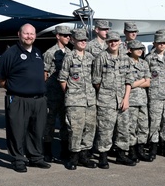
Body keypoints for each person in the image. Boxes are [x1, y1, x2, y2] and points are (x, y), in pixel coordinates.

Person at [0, 23, 49, 173]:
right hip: (18, 99)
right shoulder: (10, 53)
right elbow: (0, 77)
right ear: (19, 34)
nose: (29, 36)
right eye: (26, 33)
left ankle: (36, 157)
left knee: (37, 131)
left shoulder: (37, 52)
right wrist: (14, 88)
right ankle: (18, 159)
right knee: (16, 131)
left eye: (32, 34)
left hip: (38, 100)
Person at [92, 31, 134, 167]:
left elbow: (129, 80)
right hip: (106, 100)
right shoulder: (101, 57)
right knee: (105, 130)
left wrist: (126, 98)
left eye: (116, 40)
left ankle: (121, 155)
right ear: (107, 42)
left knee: (123, 129)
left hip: (123, 99)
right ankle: (103, 156)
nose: (113, 43)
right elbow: (96, 80)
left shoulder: (126, 59)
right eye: (110, 41)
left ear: (120, 42)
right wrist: (105, 93)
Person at [59, 28, 98, 170]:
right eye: (79, 40)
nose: (82, 42)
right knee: (75, 129)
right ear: (73, 41)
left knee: (90, 128)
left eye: (84, 40)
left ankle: (84, 156)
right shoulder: (69, 57)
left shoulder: (90, 57)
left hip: (90, 100)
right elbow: (62, 79)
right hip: (75, 101)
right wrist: (70, 94)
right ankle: (73, 157)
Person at [43, 24, 72, 162]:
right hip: (52, 93)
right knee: (49, 123)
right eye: (65, 35)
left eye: (69, 35)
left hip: (64, 93)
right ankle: (47, 150)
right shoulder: (50, 53)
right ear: (58, 36)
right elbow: (45, 73)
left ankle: (64, 150)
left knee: (65, 123)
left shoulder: (69, 52)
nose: (68, 38)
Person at [146, 31, 165, 159]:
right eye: (159, 43)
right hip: (155, 94)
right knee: (155, 121)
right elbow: (146, 76)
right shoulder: (149, 58)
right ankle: (153, 146)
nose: (162, 45)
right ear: (154, 43)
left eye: (164, 43)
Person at [124, 39, 152, 162]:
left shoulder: (144, 63)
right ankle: (132, 150)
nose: (140, 51)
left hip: (142, 99)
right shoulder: (126, 62)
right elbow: (129, 83)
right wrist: (141, 81)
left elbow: (148, 82)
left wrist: (137, 82)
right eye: (137, 49)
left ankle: (141, 150)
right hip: (132, 99)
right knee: (131, 126)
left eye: (141, 49)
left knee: (143, 126)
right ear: (130, 50)